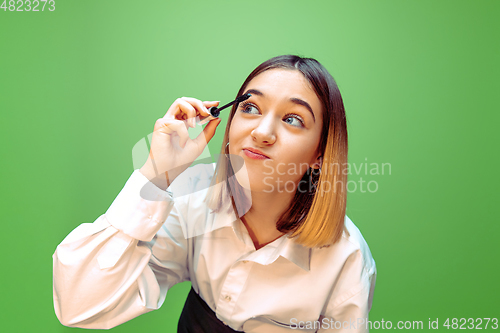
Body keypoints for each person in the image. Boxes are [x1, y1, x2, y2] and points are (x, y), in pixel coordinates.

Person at [53, 55, 376, 332]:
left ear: (320, 153)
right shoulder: (193, 198)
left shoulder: (347, 259)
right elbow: (78, 304)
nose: (262, 132)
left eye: (292, 119)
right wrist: (154, 175)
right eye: (250, 108)